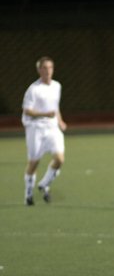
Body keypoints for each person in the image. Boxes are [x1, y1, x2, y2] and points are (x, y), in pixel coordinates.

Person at [22, 56, 67, 205]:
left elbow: (55, 107)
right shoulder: (33, 89)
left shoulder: (57, 86)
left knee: (59, 159)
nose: (47, 70)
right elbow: (27, 111)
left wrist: (60, 121)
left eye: (50, 67)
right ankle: (28, 193)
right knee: (34, 162)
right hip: (36, 129)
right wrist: (45, 114)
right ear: (39, 70)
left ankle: (44, 184)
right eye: (44, 68)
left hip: (52, 128)